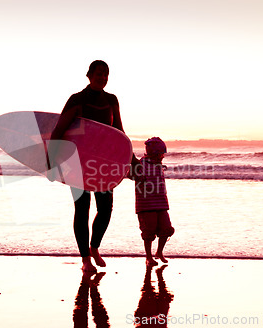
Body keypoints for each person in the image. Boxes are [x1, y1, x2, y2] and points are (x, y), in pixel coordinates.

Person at [49, 60, 136, 272]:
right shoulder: (77, 100)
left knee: (105, 209)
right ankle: (85, 259)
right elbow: (59, 131)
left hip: (103, 164)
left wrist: (132, 161)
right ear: (89, 75)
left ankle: (94, 247)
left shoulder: (111, 100)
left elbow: (119, 133)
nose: (103, 77)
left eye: (106, 74)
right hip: (77, 163)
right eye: (99, 73)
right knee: (82, 208)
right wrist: (51, 164)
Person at [132, 137, 175, 266]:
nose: (163, 156)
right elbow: (130, 174)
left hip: (161, 203)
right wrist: (137, 176)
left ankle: (159, 252)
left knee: (166, 228)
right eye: (161, 153)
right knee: (149, 232)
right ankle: (148, 256)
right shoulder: (142, 163)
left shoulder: (159, 165)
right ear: (154, 153)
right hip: (146, 204)